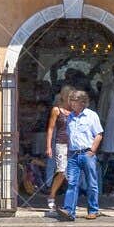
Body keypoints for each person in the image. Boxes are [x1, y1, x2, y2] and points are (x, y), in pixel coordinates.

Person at [57, 90, 104, 222]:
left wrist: (92, 151)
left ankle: (93, 210)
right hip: (73, 155)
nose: (71, 104)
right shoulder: (70, 117)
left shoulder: (91, 115)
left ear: (82, 102)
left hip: (87, 153)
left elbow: (99, 134)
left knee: (92, 183)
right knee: (72, 183)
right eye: (70, 101)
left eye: (74, 101)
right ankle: (69, 211)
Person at [41, 86, 73, 216]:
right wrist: (48, 146)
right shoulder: (57, 110)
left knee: (72, 173)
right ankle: (52, 195)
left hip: (73, 145)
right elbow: (50, 129)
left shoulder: (75, 110)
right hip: (61, 144)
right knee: (62, 171)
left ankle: (69, 202)